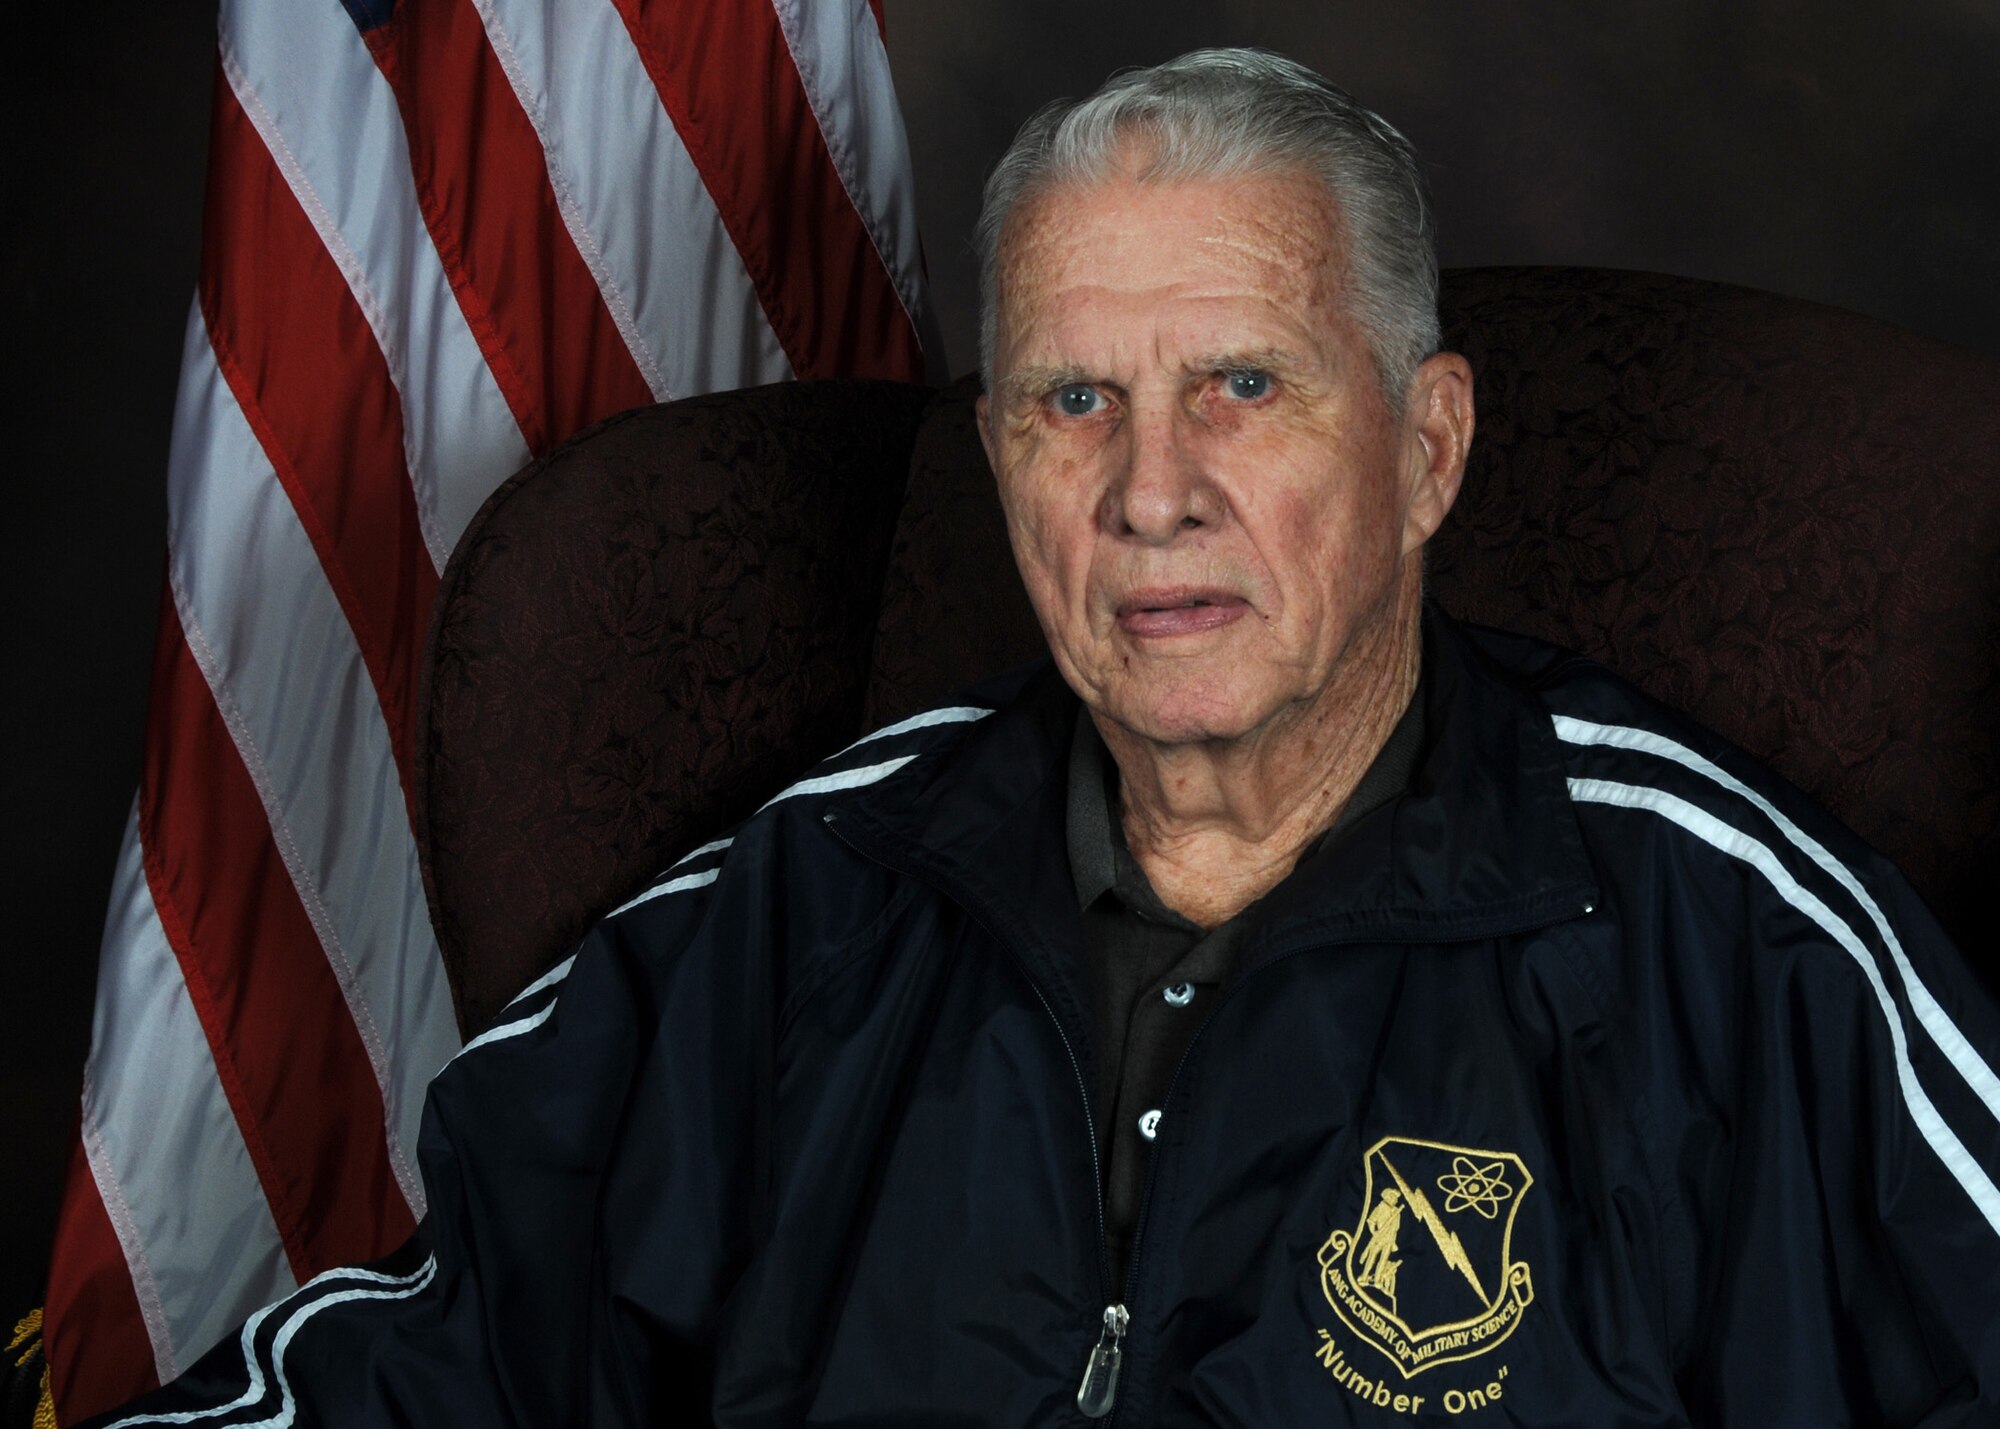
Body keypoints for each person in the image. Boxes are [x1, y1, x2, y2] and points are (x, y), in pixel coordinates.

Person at [83, 47, 1999, 1428]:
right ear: (999, 458)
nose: (1151, 490)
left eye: (1242, 385)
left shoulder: (1730, 943)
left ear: (1427, 446)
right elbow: (421, 1367)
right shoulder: (796, 905)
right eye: (1074, 398)